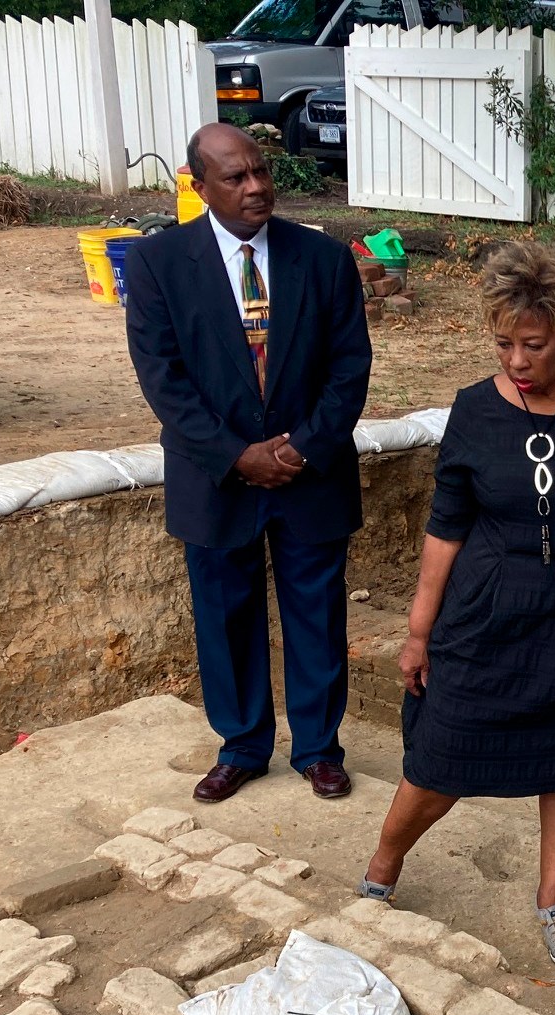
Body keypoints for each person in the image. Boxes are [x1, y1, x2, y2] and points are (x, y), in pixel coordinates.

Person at [359, 241, 555, 967]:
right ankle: (384, 863)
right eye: (503, 343)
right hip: (488, 614)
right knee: (441, 753)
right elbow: (446, 527)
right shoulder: (474, 411)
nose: (515, 361)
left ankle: (553, 895)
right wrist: (418, 631)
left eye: (533, 345)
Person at [124, 121, 371, 805]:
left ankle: (319, 748)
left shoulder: (321, 260)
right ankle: (242, 746)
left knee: (317, 614)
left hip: (308, 472)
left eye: (261, 171)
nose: (257, 186)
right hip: (215, 478)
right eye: (236, 177)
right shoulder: (158, 265)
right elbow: (163, 379)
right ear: (199, 186)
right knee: (225, 615)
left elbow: (349, 369)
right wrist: (236, 455)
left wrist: (302, 446)